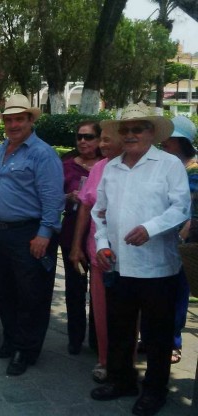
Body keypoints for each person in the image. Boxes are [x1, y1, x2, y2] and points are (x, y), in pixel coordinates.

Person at [90, 103, 190, 416]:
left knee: (157, 335)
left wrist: (150, 228)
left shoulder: (169, 165)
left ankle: (155, 390)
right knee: (120, 328)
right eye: (126, 130)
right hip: (118, 264)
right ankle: (122, 380)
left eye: (138, 129)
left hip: (157, 267)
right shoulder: (112, 167)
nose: (131, 135)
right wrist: (102, 244)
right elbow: (99, 212)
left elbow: (180, 209)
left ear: (151, 132)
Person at [0, 94, 64, 376]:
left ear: (31, 120)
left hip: (28, 233)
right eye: (9, 119)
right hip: (0, 232)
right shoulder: (0, 149)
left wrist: (44, 233)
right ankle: (10, 341)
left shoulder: (42, 154)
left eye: (19, 119)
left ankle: (26, 350)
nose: (13, 124)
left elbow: (54, 199)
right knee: (4, 290)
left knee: (31, 294)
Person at [69, 127, 124, 383]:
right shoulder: (101, 167)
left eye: (105, 139)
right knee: (101, 308)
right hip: (100, 250)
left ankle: (127, 360)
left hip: (134, 252)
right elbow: (86, 207)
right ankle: (104, 360)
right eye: (100, 139)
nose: (102, 144)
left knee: (129, 312)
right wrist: (77, 245)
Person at [60, 121, 102, 355]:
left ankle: (98, 338)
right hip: (71, 233)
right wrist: (69, 196)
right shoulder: (66, 165)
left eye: (89, 137)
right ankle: (75, 337)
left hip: (99, 236)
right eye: (80, 137)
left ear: (98, 140)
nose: (83, 141)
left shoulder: (107, 166)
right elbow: (52, 194)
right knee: (74, 289)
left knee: (98, 290)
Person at [159, 115, 197, 365]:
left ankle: (173, 341)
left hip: (185, 240)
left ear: (181, 141)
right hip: (162, 236)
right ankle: (156, 337)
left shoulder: (193, 169)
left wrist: (186, 228)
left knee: (178, 294)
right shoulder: (164, 165)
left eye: (168, 140)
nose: (163, 143)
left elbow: (191, 207)